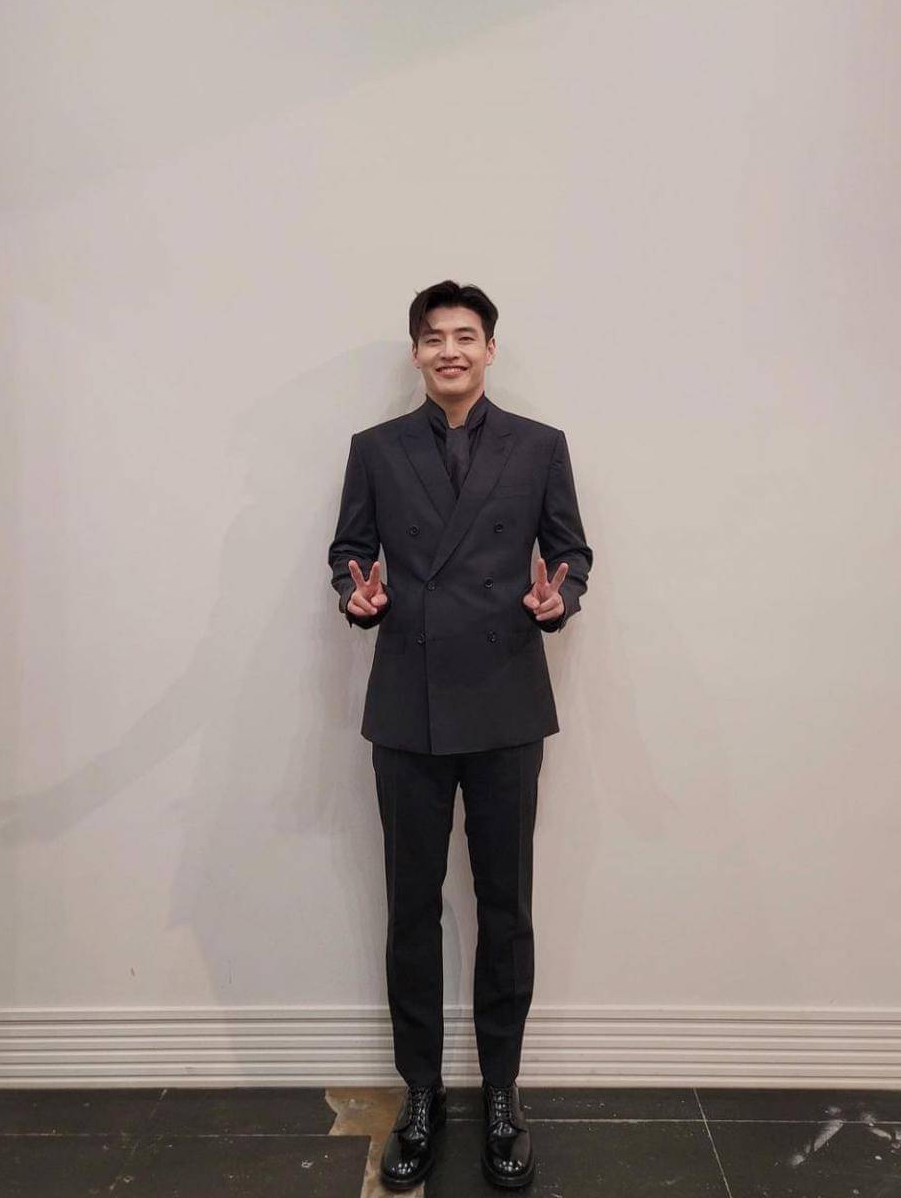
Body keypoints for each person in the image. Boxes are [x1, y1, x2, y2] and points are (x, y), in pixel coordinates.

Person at [327, 280, 593, 1190]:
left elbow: (570, 551)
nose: (451, 350)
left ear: (489, 349)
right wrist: (359, 593)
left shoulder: (539, 446)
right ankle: (422, 1092)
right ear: (416, 352)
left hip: (506, 700)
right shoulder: (376, 449)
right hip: (409, 703)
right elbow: (350, 551)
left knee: (505, 906)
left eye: (466, 336)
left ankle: (505, 1093)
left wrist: (560, 596)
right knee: (411, 906)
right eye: (435, 337)